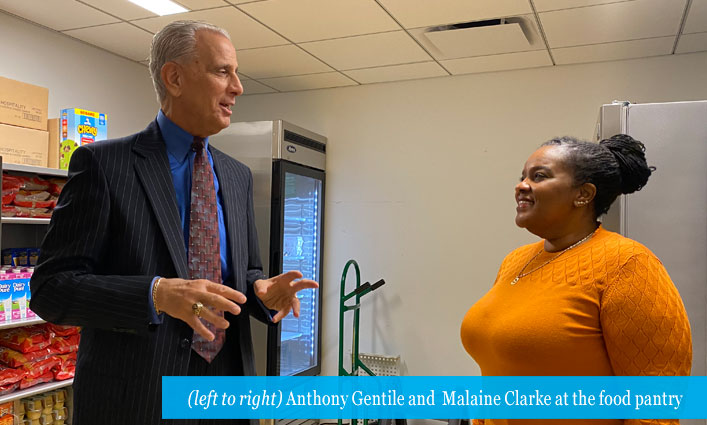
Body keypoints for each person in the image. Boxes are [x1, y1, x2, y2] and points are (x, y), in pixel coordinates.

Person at [29, 20, 317, 425]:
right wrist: (156, 294)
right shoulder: (105, 165)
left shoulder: (236, 176)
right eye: (223, 71)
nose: (238, 87)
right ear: (175, 77)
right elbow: (50, 289)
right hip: (138, 397)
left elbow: (244, 272)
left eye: (236, 73)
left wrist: (260, 292)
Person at [460, 134, 692, 425]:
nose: (521, 185)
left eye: (539, 176)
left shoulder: (628, 264)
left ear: (583, 194)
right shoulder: (515, 261)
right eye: (523, 176)